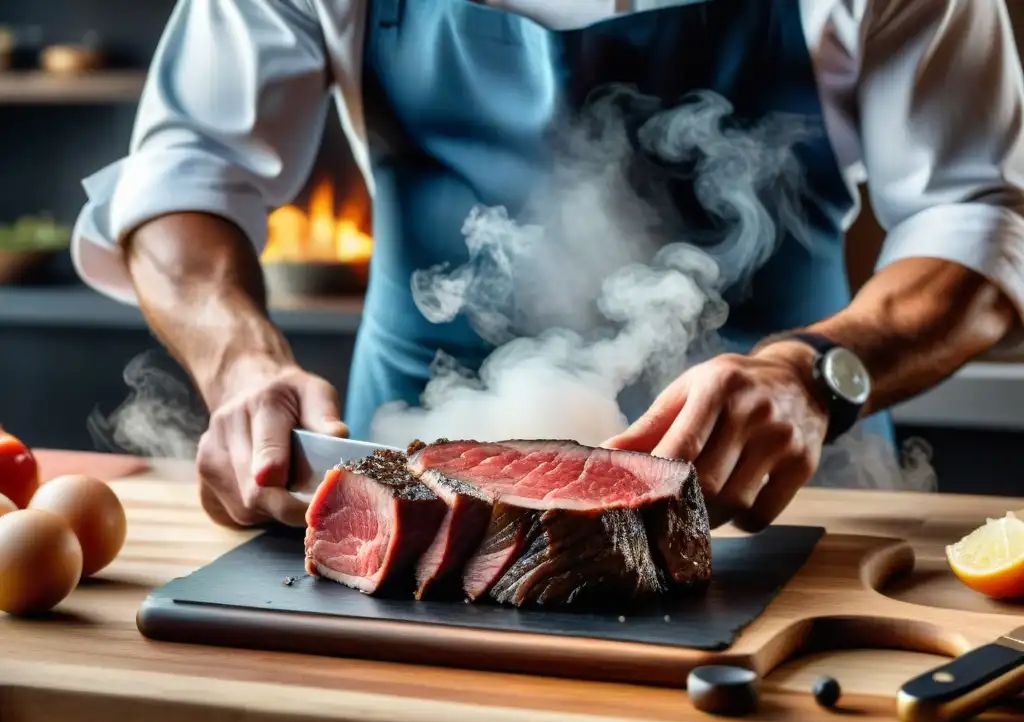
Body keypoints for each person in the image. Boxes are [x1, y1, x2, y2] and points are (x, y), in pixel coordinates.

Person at [72, 0, 1024, 534]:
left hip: (789, 498)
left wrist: (813, 373)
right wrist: (243, 367)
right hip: (415, 496)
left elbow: (979, 214)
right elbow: (186, 169)